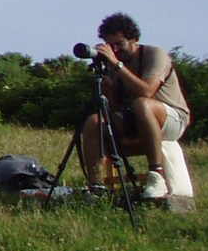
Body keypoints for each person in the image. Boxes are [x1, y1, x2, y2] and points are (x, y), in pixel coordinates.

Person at [79, 12, 191, 202]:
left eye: (120, 44)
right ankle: (96, 186)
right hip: (135, 118)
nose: (116, 50)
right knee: (94, 121)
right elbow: (114, 109)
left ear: (134, 39)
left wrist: (117, 65)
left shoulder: (154, 55)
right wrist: (110, 91)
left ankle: (156, 175)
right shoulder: (113, 65)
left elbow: (147, 91)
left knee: (141, 104)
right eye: (111, 46)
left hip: (171, 118)